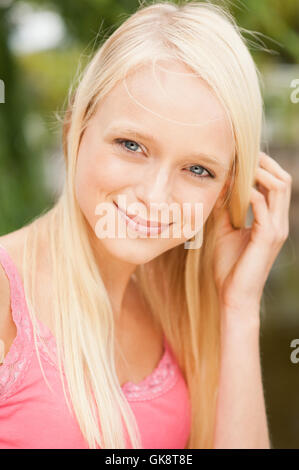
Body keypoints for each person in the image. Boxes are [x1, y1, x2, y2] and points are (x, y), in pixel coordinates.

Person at [0, 0, 292, 449]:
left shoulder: (175, 303)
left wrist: (239, 310)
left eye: (198, 170)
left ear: (223, 194)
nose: (155, 198)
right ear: (76, 127)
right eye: (131, 144)